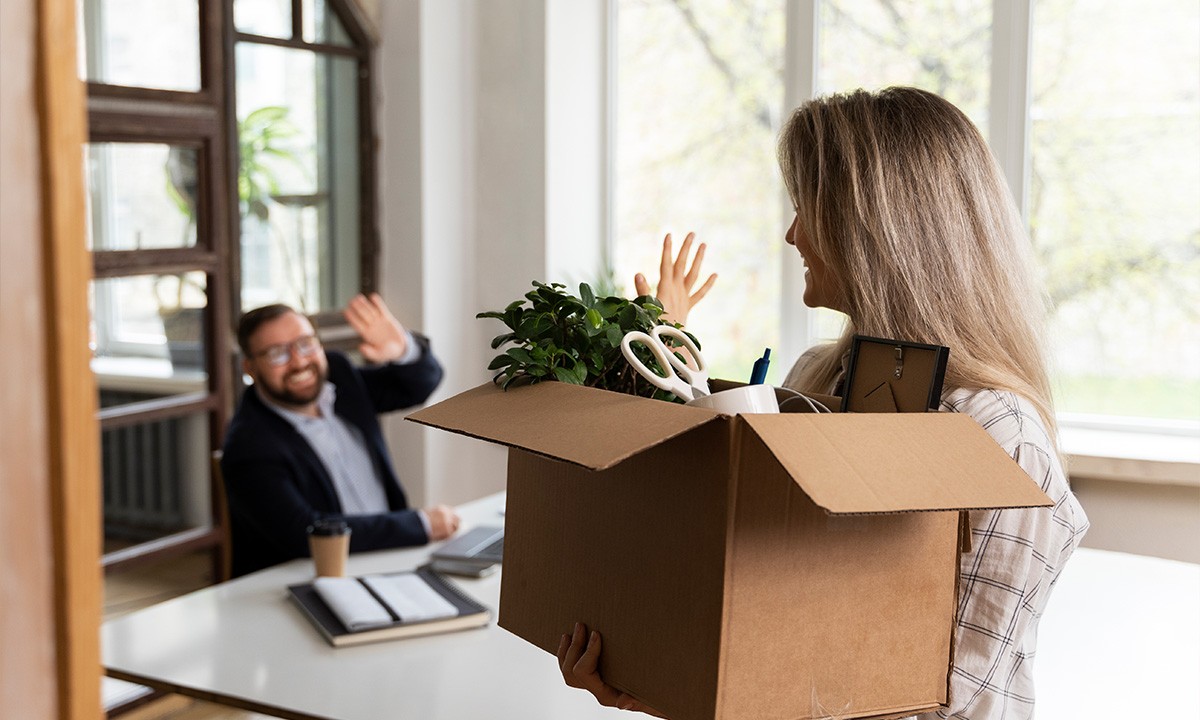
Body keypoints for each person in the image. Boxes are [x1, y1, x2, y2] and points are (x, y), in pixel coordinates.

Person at [557, 87, 1089, 719]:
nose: (791, 233)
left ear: (876, 227)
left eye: (808, 208)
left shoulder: (1000, 439)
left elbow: (943, 704)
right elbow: (774, 614)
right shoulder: (818, 379)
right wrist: (672, 676)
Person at [221, 293, 459, 577]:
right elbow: (305, 532)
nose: (298, 362)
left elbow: (418, 386)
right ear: (250, 368)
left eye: (305, 344)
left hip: (390, 559)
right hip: (309, 580)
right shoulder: (248, 445)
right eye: (277, 353)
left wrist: (402, 349)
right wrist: (419, 524)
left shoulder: (339, 375)